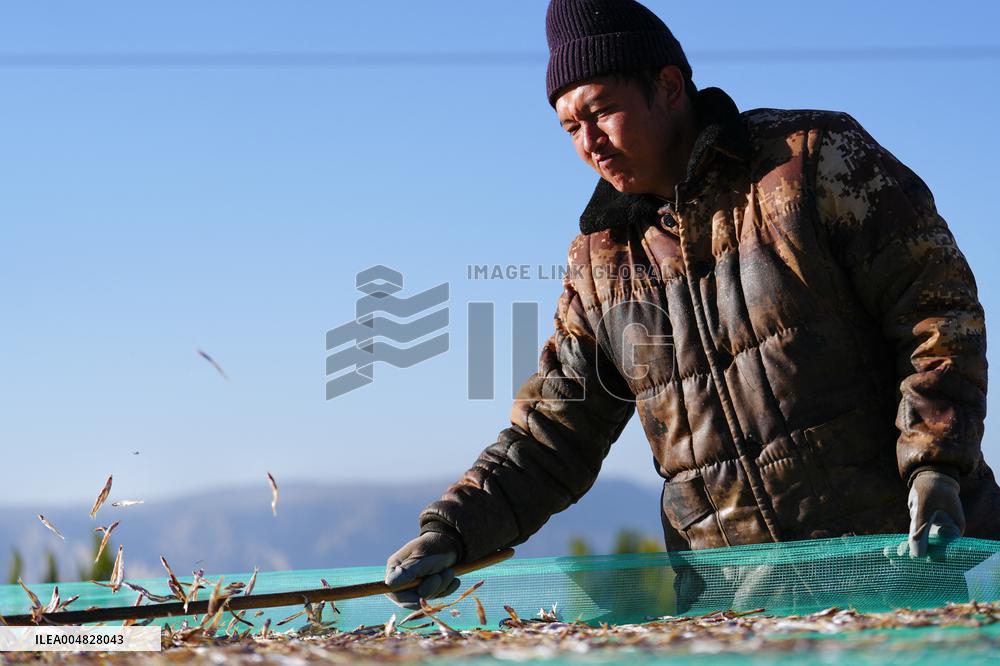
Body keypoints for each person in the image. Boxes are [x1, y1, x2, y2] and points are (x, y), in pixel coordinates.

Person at [383, 0, 1000, 610]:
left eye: (601, 112)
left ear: (670, 86)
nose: (590, 143)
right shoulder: (598, 267)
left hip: (900, 571)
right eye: (570, 127)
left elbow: (937, 316)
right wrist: (454, 530)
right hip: (733, 608)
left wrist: (935, 464)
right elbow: (554, 432)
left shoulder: (811, 161)